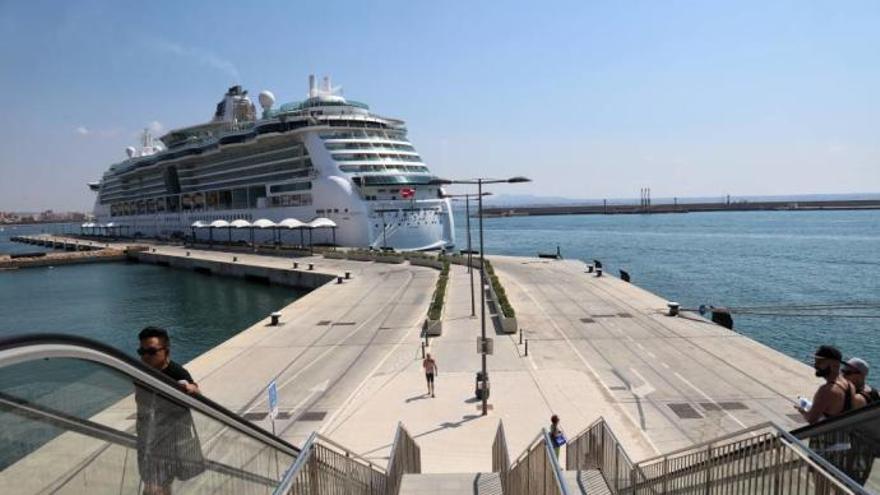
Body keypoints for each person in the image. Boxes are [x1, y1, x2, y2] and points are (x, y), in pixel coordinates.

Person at [135, 326, 201, 495]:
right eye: (141, 351)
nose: (145, 356)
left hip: (171, 439)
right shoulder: (140, 371)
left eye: (151, 351)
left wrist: (190, 388)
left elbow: (193, 387)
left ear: (166, 351)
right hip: (147, 437)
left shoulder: (176, 372)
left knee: (154, 487)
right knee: (159, 485)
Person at [796, 345, 861, 424]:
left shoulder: (826, 391)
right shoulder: (850, 385)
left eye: (820, 362)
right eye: (815, 361)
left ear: (834, 365)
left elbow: (811, 419)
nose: (815, 365)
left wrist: (802, 411)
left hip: (828, 434)